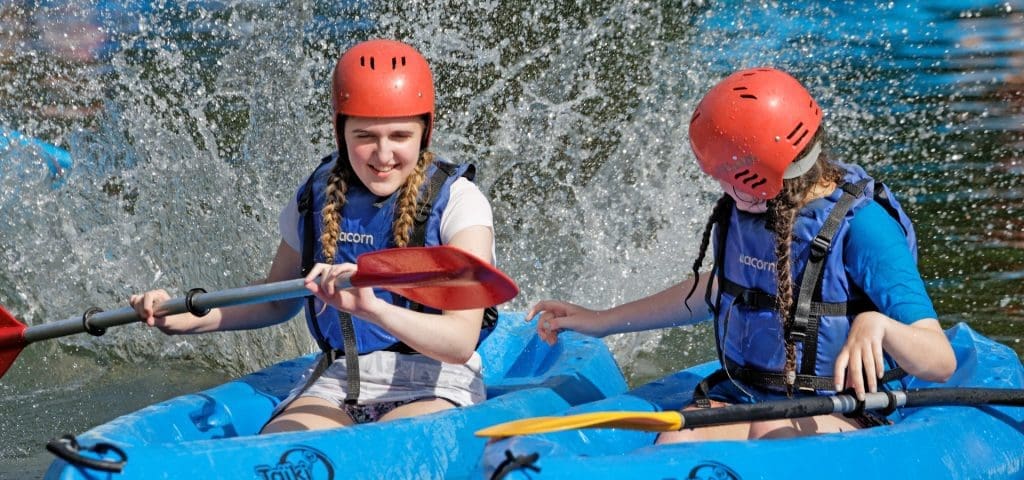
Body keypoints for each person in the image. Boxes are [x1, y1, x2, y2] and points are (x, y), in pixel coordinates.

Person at [528, 67, 957, 442]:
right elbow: (719, 288)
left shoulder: (864, 228)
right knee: (680, 439)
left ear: (761, 175)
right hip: (751, 397)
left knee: (775, 433)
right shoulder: (752, 211)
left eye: (728, 179)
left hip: (843, 412)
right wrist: (602, 321)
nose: (722, 190)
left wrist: (877, 325)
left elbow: (940, 361)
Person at [129, 39, 496, 433]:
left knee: (380, 454)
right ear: (341, 131)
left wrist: (373, 308)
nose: (383, 154)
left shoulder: (461, 204)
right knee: (276, 453)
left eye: (400, 136)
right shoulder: (315, 197)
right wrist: (181, 317)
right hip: (341, 381)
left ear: (424, 133)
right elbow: (274, 303)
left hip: (437, 383)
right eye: (365, 135)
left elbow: (459, 343)